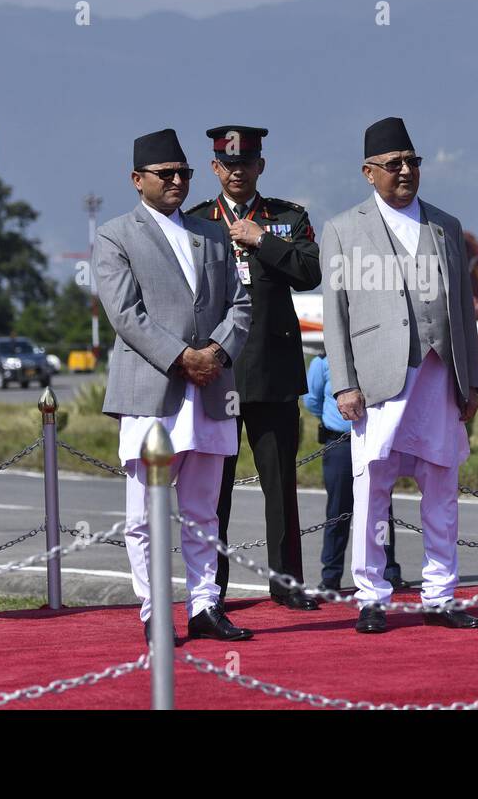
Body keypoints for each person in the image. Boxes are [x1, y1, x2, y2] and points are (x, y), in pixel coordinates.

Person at [320, 116, 478, 635]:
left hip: (440, 375)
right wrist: (344, 383)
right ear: (370, 172)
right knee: (372, 488)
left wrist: (471, 382)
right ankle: (371, 595)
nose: (406, 172)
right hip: (379, 379)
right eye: (394, 165)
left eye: (412, 162)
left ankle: (441, 593)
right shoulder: (344, 229)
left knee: (442, 485)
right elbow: (336, 314)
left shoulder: (445, 226)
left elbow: (463, 309)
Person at [95, 128, 253, 643]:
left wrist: (216, 353)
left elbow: (241, 305)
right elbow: (124, 314)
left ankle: (205, 604)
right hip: (152, 388)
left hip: (209, 387)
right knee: (145, 512)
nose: (178, 181)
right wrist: (182, 356)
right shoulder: (116, 234)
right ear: (137, 180)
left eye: (183, 173)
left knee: (204, 508)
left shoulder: (212, 234)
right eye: (166, 175)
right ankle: (154, 609)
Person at [185, 125, 321, 611]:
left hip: (273, 367)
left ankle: (287, 583)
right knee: (211, 491)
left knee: (280, 485)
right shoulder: (197, 220)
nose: (237, 171)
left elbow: (310, 274)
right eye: (228, 164)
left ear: (260, 166)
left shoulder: (286, 217)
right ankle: (209, 590)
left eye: (247, 163)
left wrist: (263, 240)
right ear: (215, 168)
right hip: (218, 369)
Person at [303, 350, 406, 594]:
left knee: (381, 510)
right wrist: (333, 419)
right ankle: (331, 576)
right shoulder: (324, 362)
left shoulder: (374, 357)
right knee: (337, 511)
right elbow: (312, 401)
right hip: (340, 442)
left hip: (373, 441)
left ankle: (389, 570)